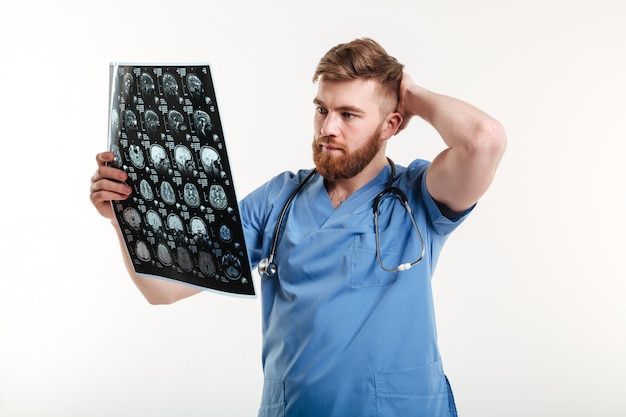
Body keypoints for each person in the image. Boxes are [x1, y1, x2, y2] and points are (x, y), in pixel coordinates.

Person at [90, 38, 506, 417]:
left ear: (391, 125)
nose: (328, 128)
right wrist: (122, 218)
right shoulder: (278, 201)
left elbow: (484, 139)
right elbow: (162, 289)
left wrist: (410, 92)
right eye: (322, 109)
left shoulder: (420, 196)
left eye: (349, 114)